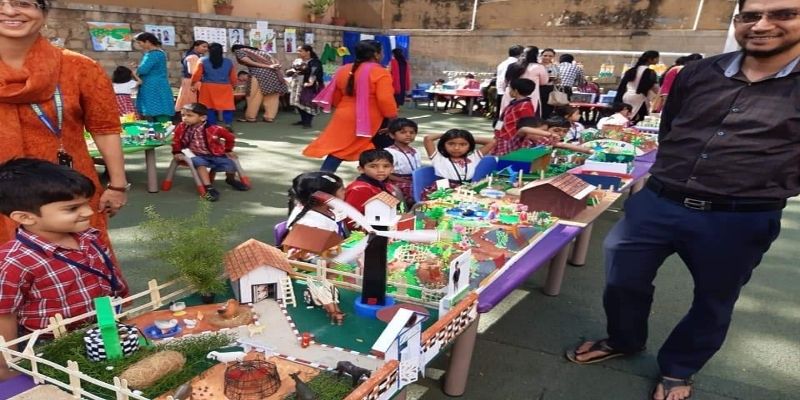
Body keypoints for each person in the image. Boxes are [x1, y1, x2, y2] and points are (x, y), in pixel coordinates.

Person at [566, 1, 800, 399]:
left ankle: (679, 367)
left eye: (782, 14)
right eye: (750, 15)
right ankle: (624, 339)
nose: (761, 25)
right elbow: (672, 128)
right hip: (660, 200)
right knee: (622, 279)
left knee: (714, 300)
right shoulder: (699, 73)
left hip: (739, 217)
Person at [0, 0, 128, 250]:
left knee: (79, 261)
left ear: (44, 12)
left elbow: (105, 129)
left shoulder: (79, 67)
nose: (9, 11)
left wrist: (117, 186)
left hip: (64, 191)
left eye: (22, 3)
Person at [0, 159, 130, 380]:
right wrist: (6, 366)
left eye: (87, 203)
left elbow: (109, 277)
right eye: (72, 208)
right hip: (51, 345)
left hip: (103, 327)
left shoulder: (89, 237)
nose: (88, 212)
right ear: (25, 217)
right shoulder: (14, 261)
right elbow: (4, 314)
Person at [303, 40, 398, 172]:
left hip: (344, 113)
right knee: (381, 147)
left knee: (339, 148)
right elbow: (385, 99)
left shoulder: (344, 69)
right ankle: (379, 177)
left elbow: (335, 96)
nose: (383, 55)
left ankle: (324, 177)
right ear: (376, 54)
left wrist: (345, 107)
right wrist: (392, 117)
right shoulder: (380, 72)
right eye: (381, 52)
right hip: (369, 116)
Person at [171, 103, 249, 202]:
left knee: (230, 164)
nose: (185, 118)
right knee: (200, 163)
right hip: (192, 153)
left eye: (189, 115)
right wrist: (177, 151)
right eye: (183, 115)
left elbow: (230, 137)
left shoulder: (214, 129)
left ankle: (230, 179)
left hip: (213, 154)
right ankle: (208, 187)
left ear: (203, 118)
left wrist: (228, 150)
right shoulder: (181, 126)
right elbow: (176, 140)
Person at [285, 171, 348, 259]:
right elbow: (321, 258)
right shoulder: (312, 225)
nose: (345, 191)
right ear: (327, 198)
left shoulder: (318, 206)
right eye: (342, 190)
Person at [232, 44, 287, 123]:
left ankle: (251, 117)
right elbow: (276, 61)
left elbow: (249, 62)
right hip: (274, 74)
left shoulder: (239, 51)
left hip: (258, 74)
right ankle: (269, 117)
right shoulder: (261, 52)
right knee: (272, 96)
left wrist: (267, 66)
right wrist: (272, 66)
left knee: (254, 96)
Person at [423, 129, 495, 189]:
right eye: (451, 143)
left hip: (465, 191)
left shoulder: (474, 157)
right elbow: (428, 139)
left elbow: (492, 141)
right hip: (442, 192)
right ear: (443, 145)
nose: (456, 148)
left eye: (463, 144)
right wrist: (447, 135)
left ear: (469, 146)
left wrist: (467, 137)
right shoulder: (438, 158)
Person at [344, 149, 401, 218]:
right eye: (373, 166)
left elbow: (399, 209)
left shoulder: (387, 185)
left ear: (392, 169)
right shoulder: (359, 189)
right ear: (361, 169)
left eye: (386, 166)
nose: (381, 170)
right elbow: (350, 218)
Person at [191, 42, 237, 128]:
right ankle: (228, 124)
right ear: (221, 51)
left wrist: (193, 83)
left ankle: (211, 125)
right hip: (225, 87)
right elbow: (233, 77)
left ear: (209, 50)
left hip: (208, 87)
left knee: (208, 107)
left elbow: (196, 75)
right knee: (227, 106)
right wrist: (234, 85)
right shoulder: (229, 62)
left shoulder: (202, 60)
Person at [132, 32, 174, 122]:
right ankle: (164, 128)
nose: (139, 45)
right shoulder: (159, 53)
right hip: (159, 83)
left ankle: (160, 128)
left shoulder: (152, 54)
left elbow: (143, 70)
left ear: (147, 42)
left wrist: (136, 69)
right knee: (161, 106)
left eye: (140, 42)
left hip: (152, 85)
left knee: (155, 109)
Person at [499, 46, 548, 119]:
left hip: (510, 94)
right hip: (529, 95)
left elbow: (505, 80)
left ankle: (501, 126)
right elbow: (544, 82)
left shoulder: (512, 65)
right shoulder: (538, 67)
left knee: (506, 115)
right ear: (536, 55)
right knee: (527, 118)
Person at [492, 78, 537, 156]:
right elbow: (502, 118)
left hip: (512, 139)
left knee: (507, 157)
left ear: (515, 91)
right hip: (503, 136)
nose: (509, 90)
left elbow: (527, 125)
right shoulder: (513, 103)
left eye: (510, 88)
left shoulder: (525, 106)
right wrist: (497, 131)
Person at [384, 118, 422, 208]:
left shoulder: (416, 151)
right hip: (397, 181)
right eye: (403, 132)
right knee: (411, 191)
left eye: (412, 132)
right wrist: (405, 181)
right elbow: (386, 173)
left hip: (413, 179)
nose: (408, 135)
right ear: (392, 135)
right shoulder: (389, 152)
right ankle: (405, 211)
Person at [614, 50, 660, 123]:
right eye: (657, 58)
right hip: (639, 98)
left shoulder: (631, 70)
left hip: (626, 96)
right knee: (639, 120)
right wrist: (661, 94)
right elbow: (654, 87)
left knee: (624, 117)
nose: (658, 60)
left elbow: (623, 86)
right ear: (650, 59)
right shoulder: (649, 72)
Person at [293, 44, 324, 128]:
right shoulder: (298, 61)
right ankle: (303, 120)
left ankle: (308, 122)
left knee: (308, 104)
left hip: (311, 86)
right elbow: (294, 70)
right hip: (299, 84)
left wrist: (310, 82)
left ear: (308, 52)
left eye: (300, 51)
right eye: (298, 51)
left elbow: (314, 72)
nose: (298, 52)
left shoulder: (315, 62)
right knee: (298, 103)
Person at [494, 44, 525, 125]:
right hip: (508, 91)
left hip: (501, 90)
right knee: (505, 113)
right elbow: (506, 78)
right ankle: (499, 129)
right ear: (521, 54)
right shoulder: (515, 64)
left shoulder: (503, 63)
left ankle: (497, 128)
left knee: (501, 113)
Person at [175, 40, 208, 113]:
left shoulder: (191, 55)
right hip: (193, 81)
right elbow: (193, 72)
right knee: (192, 103)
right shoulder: (193, 57)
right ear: (196, 47)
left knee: (188, 101)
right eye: (204, 46)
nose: (206, 49)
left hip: (189, 81)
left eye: (206, 47)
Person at [538, 48, 560, 118]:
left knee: (548, 109)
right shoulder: (537, 65)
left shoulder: (555, 66)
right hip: (538, 88)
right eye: (545, 55)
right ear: (541, 56)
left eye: (550, 56)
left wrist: (556, 79)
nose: (547, 57)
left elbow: (558, 80)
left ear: (553, 57)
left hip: (550, 89)